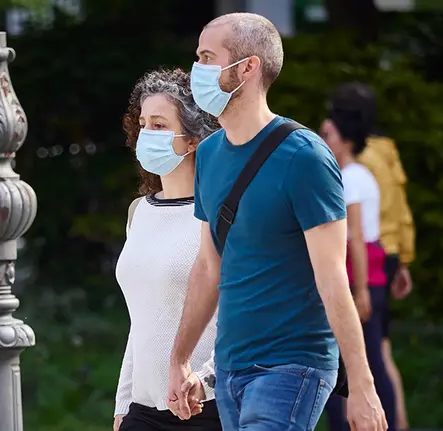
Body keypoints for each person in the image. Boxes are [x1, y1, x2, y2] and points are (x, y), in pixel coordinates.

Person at [165, 12, 387, 431]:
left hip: (293, 364)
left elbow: (332, 278)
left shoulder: (305, 157)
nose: (197, 70)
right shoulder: (209, 155)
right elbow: (209, 268)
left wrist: (362, 383)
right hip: (231, 368)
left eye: (208, 57)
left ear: (247, 68)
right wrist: (181, 360)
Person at [114, 68, 223, 431]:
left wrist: (206, 380)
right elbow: (141, 320)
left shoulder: (221, 214)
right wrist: (123, 402)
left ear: (193, 140)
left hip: (207, 407)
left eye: (159, 125)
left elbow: (237, 315)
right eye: (143, 124)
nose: (146, 134)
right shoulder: (139, 212)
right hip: (143, 410)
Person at [329, 83, 415, 430]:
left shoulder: (354, 164)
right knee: (378, 350)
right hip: (386, 253)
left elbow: (356, 231)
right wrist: (403, 257)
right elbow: (401, 208)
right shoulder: (387, 152)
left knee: (367, 354)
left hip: (361, 260)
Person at [320, 108, 398, 431]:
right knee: (374, 361)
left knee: (358, 365)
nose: (323, 140)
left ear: (346, 140)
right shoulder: (364, 174)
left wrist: (360, 288)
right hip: (371, 278)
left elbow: (355, 237)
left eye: (328, 135)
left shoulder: (349, 177)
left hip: (356, 281)